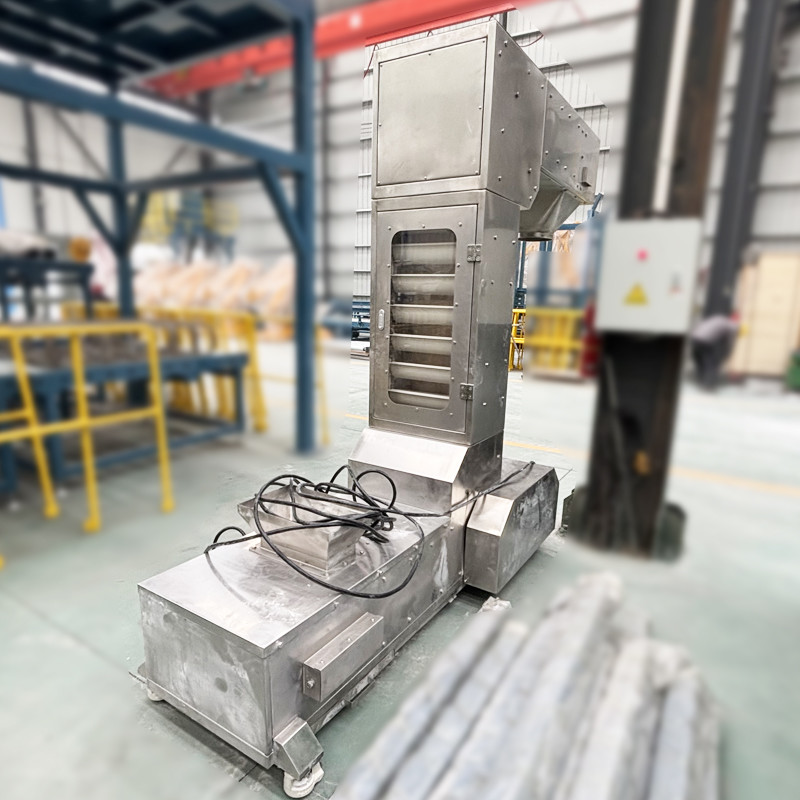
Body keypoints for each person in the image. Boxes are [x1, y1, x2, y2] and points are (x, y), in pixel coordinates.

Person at [690, 312, 740, 388]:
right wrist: (728, 353)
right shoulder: (731, 325)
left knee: (700, 361)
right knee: (711, 364)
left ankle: (700, 380)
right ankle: (708, 385)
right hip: (706, 340)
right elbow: (729, 341)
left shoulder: (718, 318)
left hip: (695, 338)